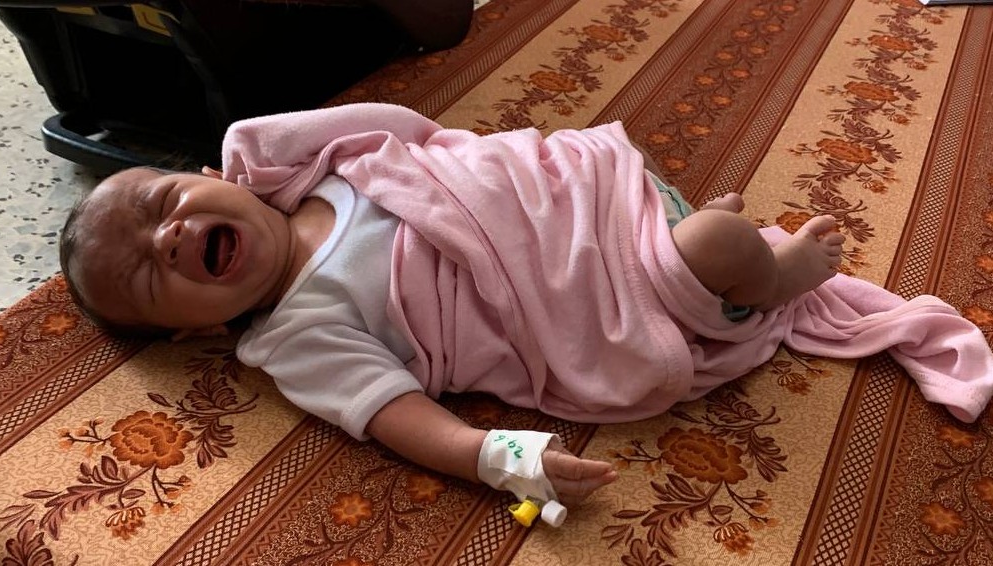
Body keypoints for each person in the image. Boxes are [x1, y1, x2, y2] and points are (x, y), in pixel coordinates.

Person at [59, 103, 993, 517]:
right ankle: (761, 276)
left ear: (204, 171)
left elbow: (416, 136)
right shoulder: (292, 339)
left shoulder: (313, 173)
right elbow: (394, 415)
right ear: (191, 330)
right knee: (710, 248)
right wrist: (495, 455)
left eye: (161, 200)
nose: (169, 235)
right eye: (152, 274)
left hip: (572, 207)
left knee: (687, 230)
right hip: (581, 301)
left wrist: (257, 148)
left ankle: (702, 245)